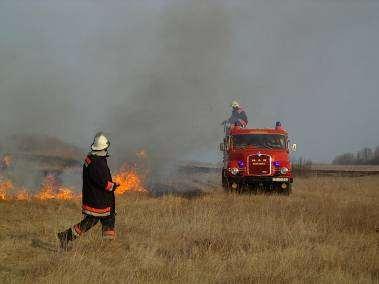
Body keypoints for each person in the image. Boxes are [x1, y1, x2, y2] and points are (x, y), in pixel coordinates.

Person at [58, 133, 119, 250]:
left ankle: (108, 246)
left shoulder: (91, 158)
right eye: (106, 148)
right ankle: (65, 236)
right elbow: (102, 182)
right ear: (103, 148)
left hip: (95, 197)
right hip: (99, 199)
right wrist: (113, 186)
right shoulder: (97, 163)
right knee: (92, 221)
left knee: (108, 218)